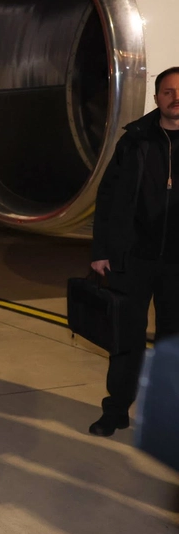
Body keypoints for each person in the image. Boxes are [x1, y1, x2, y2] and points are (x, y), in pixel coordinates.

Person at [89, 66, 179, 437]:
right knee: (125, 339)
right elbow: (108, 197)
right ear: (156, 98)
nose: (176, 98)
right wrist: (101, 249)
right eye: (168, 92)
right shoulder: (134, 140)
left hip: (177, 265)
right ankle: (116, 410)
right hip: (133, 259)